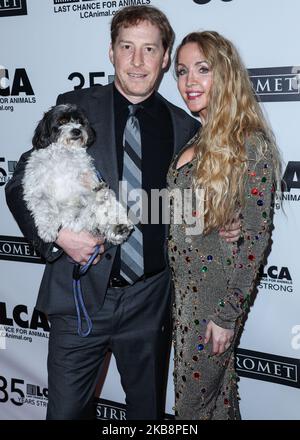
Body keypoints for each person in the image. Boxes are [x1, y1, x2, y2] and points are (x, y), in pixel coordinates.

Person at [5, 8, 240, 420]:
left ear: (165, 58)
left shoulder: (184, 127)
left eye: (149, 49)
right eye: (126, 47)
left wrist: (224, 222)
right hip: (80, 300)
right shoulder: (74, 107)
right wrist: (59, 235)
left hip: (150, 303)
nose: (137, 61)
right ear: (110, 52)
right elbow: (19, 183)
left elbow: (186, 209)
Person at [167, 31, 281, 420]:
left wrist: (226, 316)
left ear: (226, 74)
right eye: (182, 71)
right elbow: (183, 217)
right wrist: (215, 223)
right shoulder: (195, 135)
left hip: (213, 306)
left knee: (189, 411)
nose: (189, 82)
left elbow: (256, 239)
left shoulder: (251, 144)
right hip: (182, 301)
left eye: (203, 69)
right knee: (217, 406)